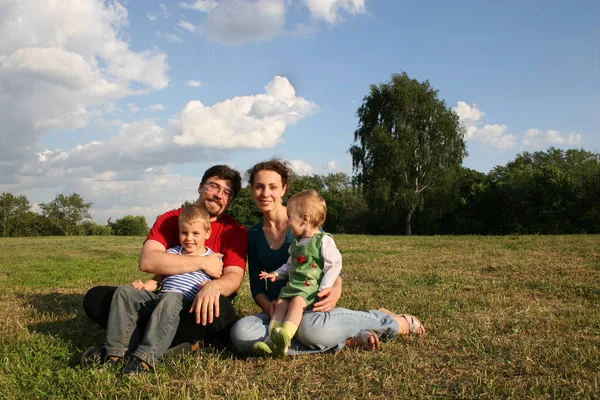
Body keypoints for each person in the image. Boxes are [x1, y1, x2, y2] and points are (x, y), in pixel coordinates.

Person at [230, 159, 424, 356]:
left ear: (283, 189)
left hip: (310, 308)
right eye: (259, 187)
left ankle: (386, 320)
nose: (265, 193)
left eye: (272, 187)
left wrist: (335, 290)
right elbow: (256, 284)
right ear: (251, 190)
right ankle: (344, 341)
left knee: (310, 330)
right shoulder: (253, 234)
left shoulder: (306, 225)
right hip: (278, 311)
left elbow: (331, 265)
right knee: (241, 333)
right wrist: (268, 307)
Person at [82, 165, 248, 366]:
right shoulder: (170, 218)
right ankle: (168, 345)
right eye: (214, 186)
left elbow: (233, 277)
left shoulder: (234, 230)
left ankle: (133, 345)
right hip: (160, 299)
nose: (219, 195)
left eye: (227, 192)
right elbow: (148, 261)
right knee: (97, 298)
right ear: (200, 186)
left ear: (230, 200)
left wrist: (214, 286)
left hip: (194, 307)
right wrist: (203, 262)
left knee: (221, 309)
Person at [102, 204, 216, 374]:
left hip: (184, 307)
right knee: (125, 292)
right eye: (184, 233)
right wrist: (143, 287)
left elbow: (216, 283)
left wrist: (208, 286)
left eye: (195, 233)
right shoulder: (172, 253)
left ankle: (145, 359)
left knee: (171, 297)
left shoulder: (212, 258)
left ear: (207, 233)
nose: (189, 238)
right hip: (161, 300)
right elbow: (157, 280)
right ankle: (115, 354)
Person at [253, 190, 342, 357]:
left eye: (290, 217)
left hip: (310, 288)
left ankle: (285, 336)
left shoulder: (323, 240)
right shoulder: (295, 243)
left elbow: (334, 265)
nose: (287, 222)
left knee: (295, 304)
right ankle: (271, 341)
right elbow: (289, 265)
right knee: (280, 304)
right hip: (293, 286)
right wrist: (276, 275)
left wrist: (325, 287)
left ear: (305, 219)